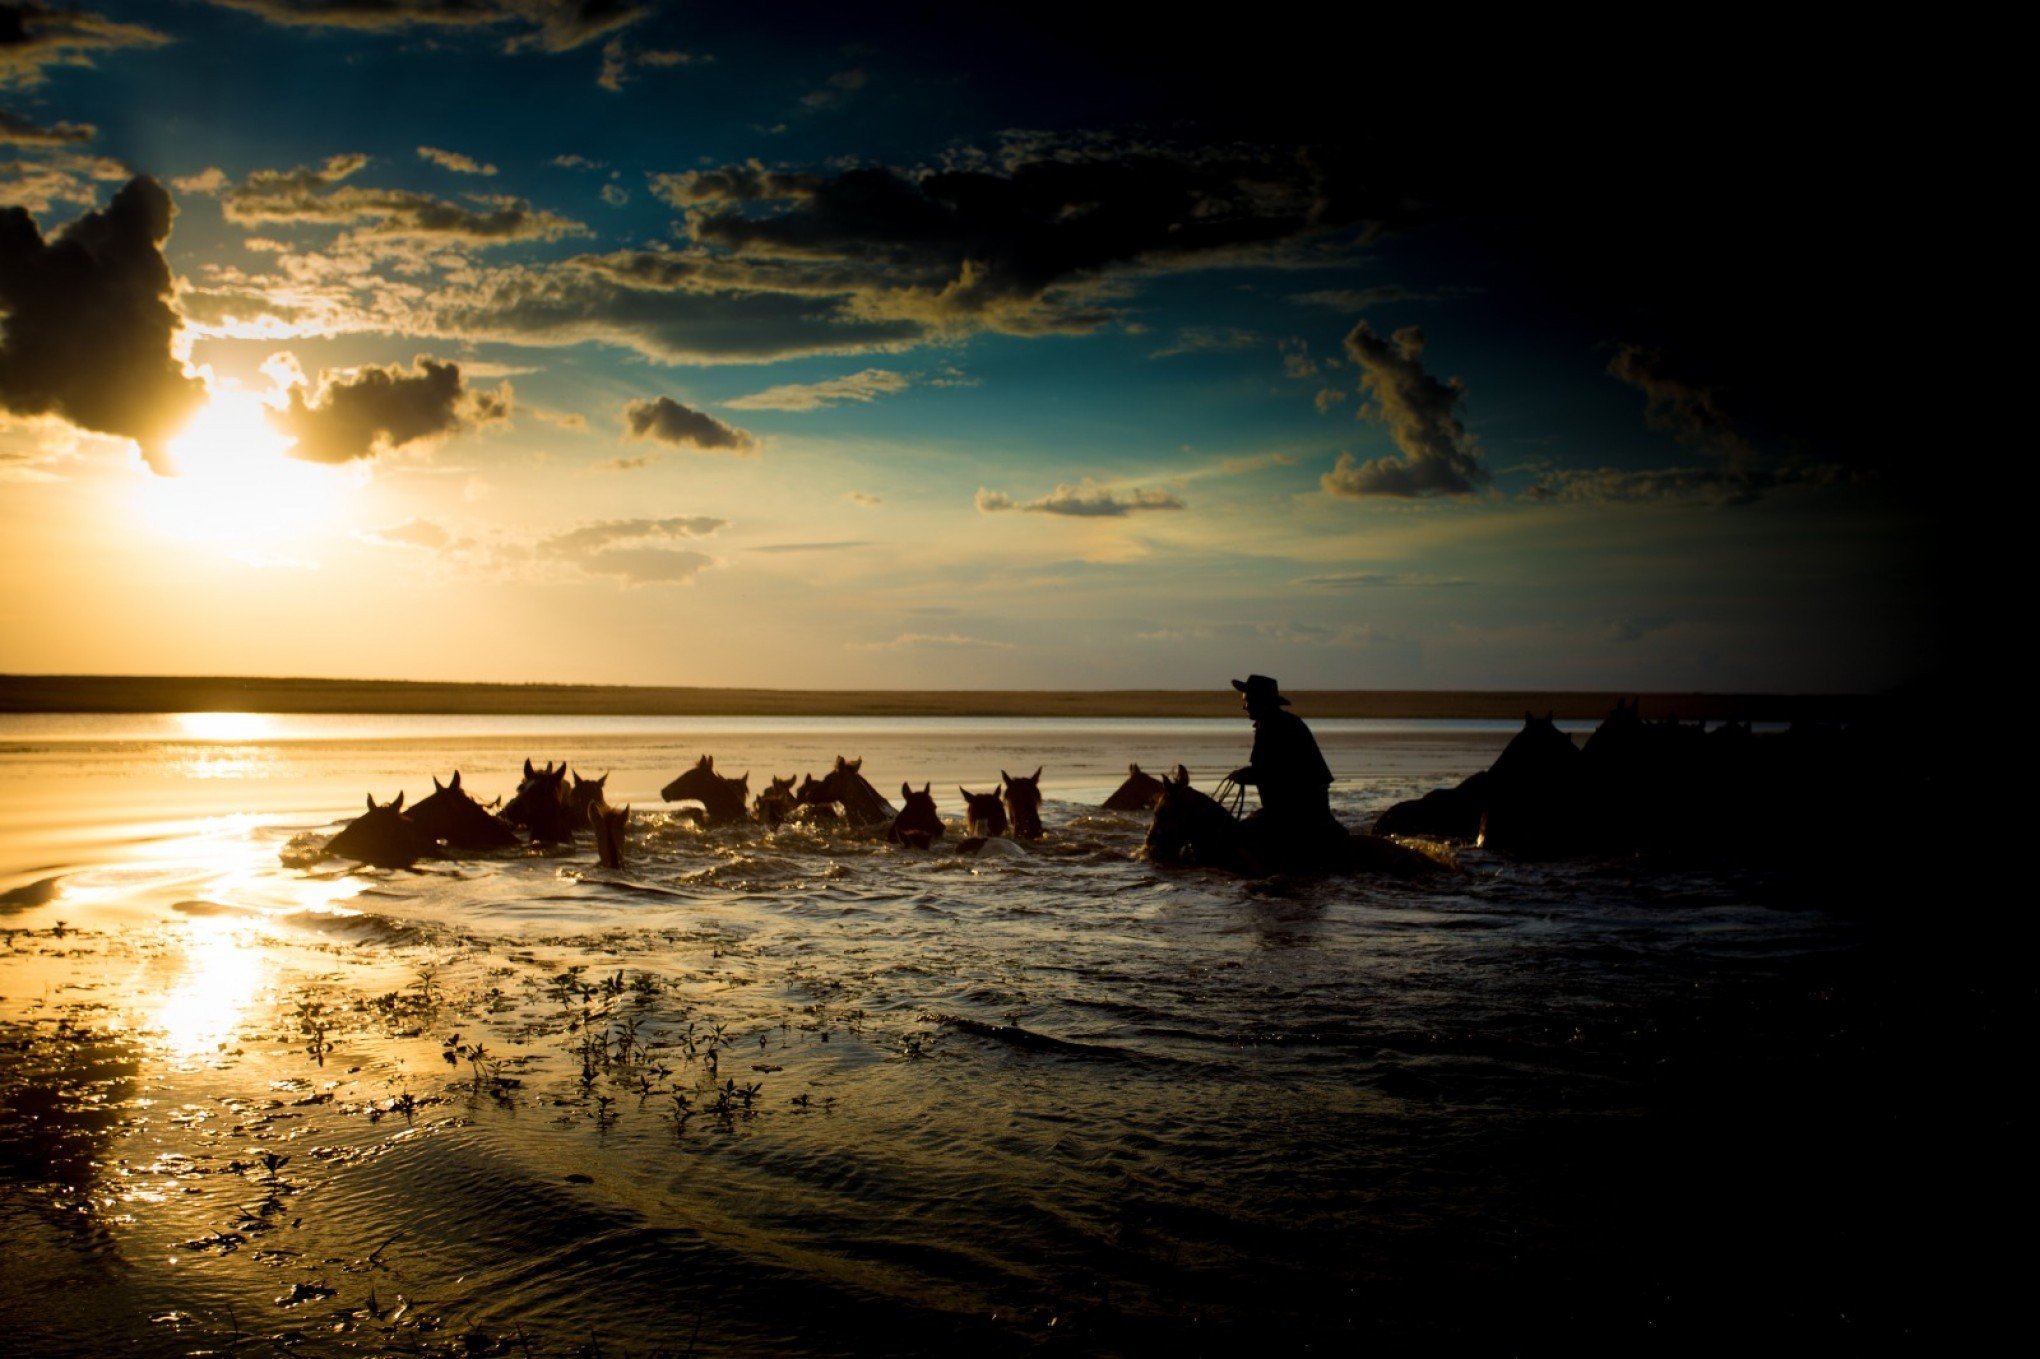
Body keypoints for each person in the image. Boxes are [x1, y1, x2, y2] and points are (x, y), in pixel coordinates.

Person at [1227, 674, 1343, 856]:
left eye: (1247, 700)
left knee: (1241, 840)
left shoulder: (1274, 726)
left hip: (1292, 812)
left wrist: (1244, 775)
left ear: (1260, 701)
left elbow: (1271, 772)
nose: (1244, 706)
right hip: (1301, 808)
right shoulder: (1280, 722)